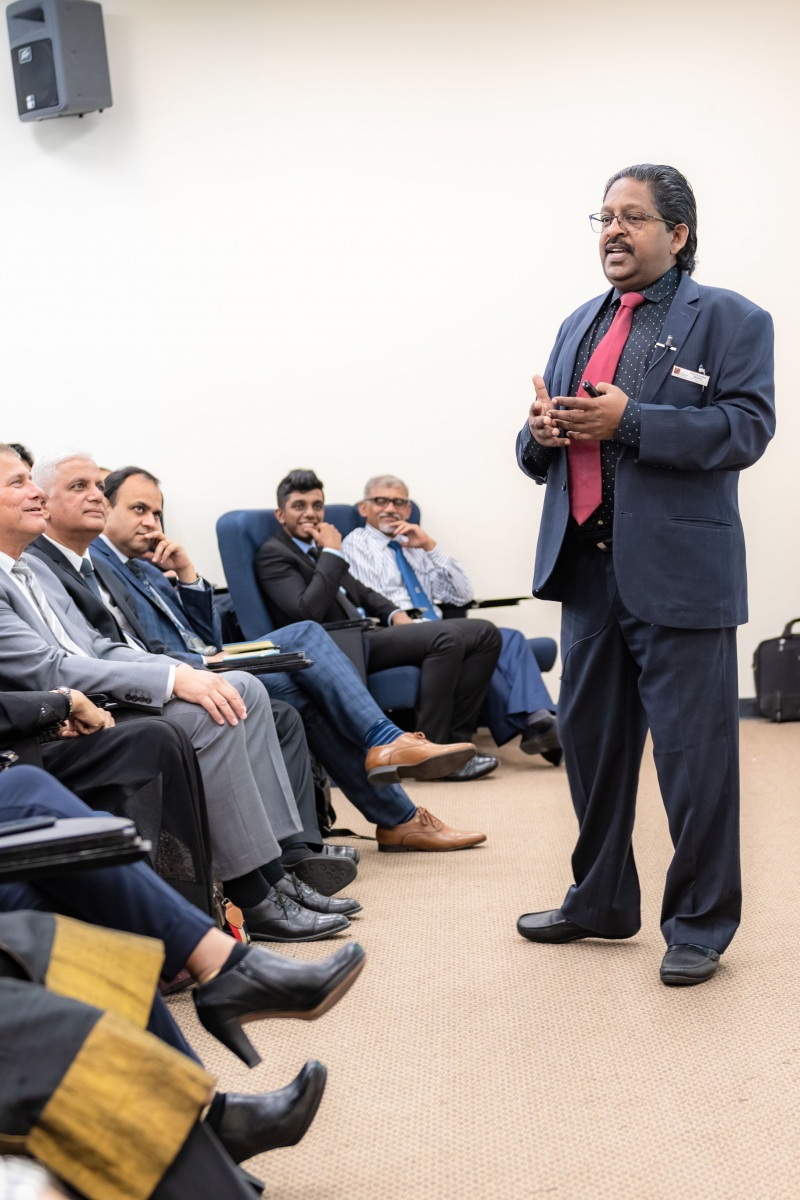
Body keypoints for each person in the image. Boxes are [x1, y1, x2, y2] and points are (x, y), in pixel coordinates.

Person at [514, 164, 775, 986]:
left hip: (682, 574)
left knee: (695, 761)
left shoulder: (732, 319)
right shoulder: (577, 324)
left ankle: (699, 923)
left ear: (678, 233)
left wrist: (633, 422)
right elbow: (538, 446)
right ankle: (598, 901)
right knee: (591, 752)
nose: (613, 231)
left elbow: (746, 428)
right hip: (586, 571)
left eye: (631, 217)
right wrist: (538, 434)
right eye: (604, 217)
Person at [31, 453, 487, 855]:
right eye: (138, 509)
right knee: (306, 634)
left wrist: (187, 576)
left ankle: (395, 813)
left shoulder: (144, 567)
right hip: (176, 672)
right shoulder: (96, 562)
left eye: (156, 512)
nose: (151, 522)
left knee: (300, 689)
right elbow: (146, 648)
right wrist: (195, 661)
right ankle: (388, 758)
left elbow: (204, 634)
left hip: (201, 658)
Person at [0, 445, 357, 941]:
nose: (35, 492)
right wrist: (173, 678)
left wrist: (178, 669)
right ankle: (254, 896)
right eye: (18, 483)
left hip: (96, 693)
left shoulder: (27, 570)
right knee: (211, 714)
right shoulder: (38, 565)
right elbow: (49, 668)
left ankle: (276, 872)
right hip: (55, 720)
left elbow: (100, 646)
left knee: (244, 689)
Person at [256, 469, 504, 783]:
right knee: (446, 636)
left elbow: (361, 592)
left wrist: (395, 614)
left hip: (367, 632)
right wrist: (332, 551)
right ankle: (429, 754)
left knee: (485, 633)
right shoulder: (274, 555)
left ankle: (456, 742)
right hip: (337, 645)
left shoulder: (317, 547)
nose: (310, 513)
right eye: (299, 506)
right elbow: (307, 612)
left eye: (317, 506)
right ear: (281, 515)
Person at [342, 474, 561, 764]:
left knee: (510, 639)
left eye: (398, 503)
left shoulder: (415, 544)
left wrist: (429, 546)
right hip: (399, 633)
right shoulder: (356, 544)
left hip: (440, 629)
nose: (390, 509)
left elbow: (461, 596)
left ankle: (537, 721)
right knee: (480, 638)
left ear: (408, 510)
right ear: (364, 508)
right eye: (381, 501)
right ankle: (536, 722)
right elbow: (368, 599)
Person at [0, 688, 213, 911]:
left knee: (156, 739)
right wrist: (67, 701)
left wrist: (50, 722)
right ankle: (178, 921)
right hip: (16, 776)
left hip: (17, 745)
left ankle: (196, 906)